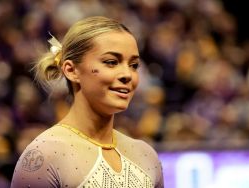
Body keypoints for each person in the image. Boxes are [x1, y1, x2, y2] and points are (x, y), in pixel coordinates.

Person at [11, 16, 164, 188]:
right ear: (71, 70)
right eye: (111, 62)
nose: (127, 75)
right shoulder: (43, 155)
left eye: (134, 65)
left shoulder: (146, 154)